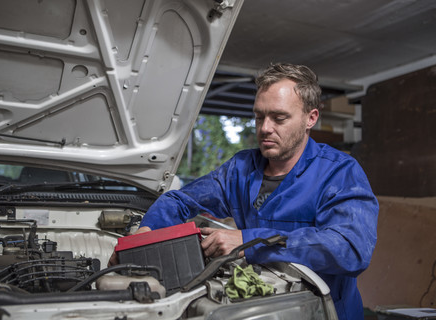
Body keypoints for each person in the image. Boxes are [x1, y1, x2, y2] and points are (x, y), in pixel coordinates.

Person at [109, 62, 378, 320]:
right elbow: (180, 200)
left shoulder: (339, 173)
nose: (265, 128)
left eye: (279, 117)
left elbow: (350, 250)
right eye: (259, 116)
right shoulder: (241, 169)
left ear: (311, 118)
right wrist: (145, 235)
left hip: (324, 312)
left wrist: (249, 241)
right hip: (260, 305)